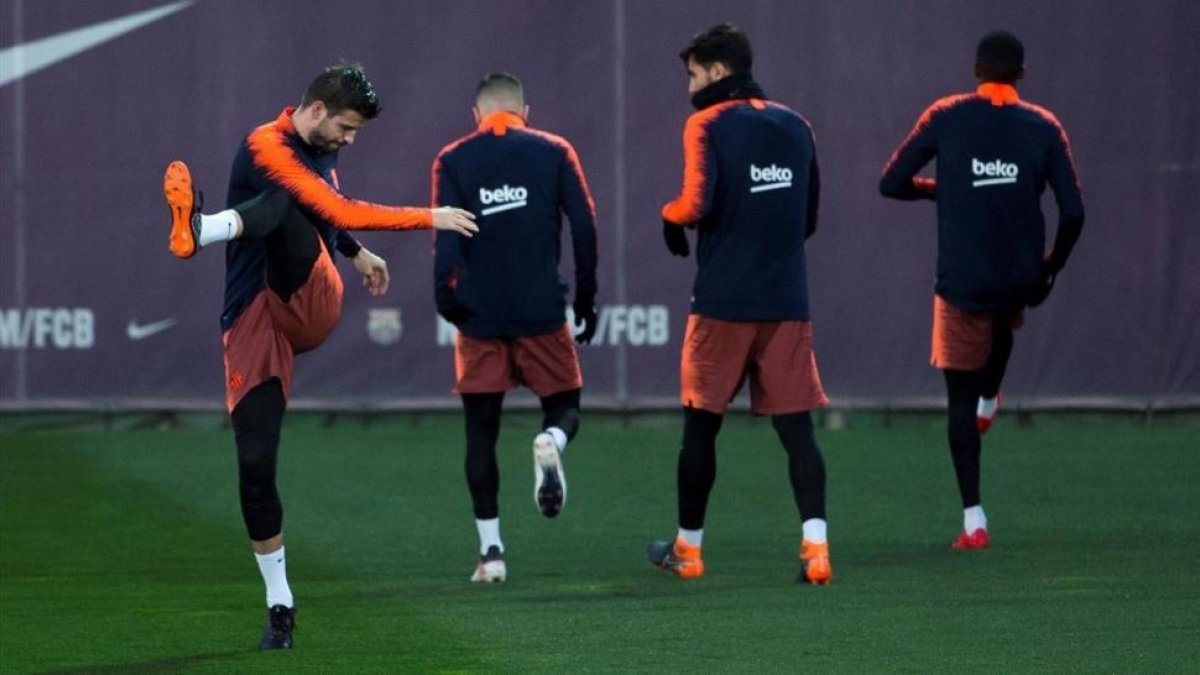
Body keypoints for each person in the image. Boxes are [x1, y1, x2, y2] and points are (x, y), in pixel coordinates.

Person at [161, 63, 478, 649]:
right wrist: (426, 218)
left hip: (310, 301)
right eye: (347, 128)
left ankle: (200, 229)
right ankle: (280, 604)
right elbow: (337, 209)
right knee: (255, 469)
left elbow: (332, 209)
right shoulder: (266, 145)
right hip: (253, 320)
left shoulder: (314, 147)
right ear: (314, 110)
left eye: (354, 132)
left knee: (284, 204)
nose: (349, 140)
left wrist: (354, 252)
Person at [879, 31, 1084, 550]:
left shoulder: (946, 114)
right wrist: (1051, 267)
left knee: (957, 401)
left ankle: (974, 520)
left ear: (975, 68)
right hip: (1020, 276)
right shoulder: (1043, 125)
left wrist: (938, 189)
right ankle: (992, 395)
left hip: (963, 281)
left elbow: (892, 181)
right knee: (1002, 319)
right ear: (1021, 73)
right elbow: (1075, 212)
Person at [645, 24, 833, 585]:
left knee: (701, 430)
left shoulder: (705, 123)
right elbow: (809, 219)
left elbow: (695, 201)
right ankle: (817, 549)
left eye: (694, 75)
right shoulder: (798, 126)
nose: (689, 87)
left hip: (723, 302)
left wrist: (668, 218)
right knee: (797, 432)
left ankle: (689, 551)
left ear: (718, 72)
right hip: (786, 300)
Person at [431, 72, 598, 583]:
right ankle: (551, 440)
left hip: (480, 315)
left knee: (480, 433)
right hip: (540, 309)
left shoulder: (453, 158)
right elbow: (585, 223)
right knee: (565, 407)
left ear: (477, 115)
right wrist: (587, 296)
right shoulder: (555, 151)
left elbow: (447, 232)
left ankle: (492, 554)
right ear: (525, 111)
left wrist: (446, 297)